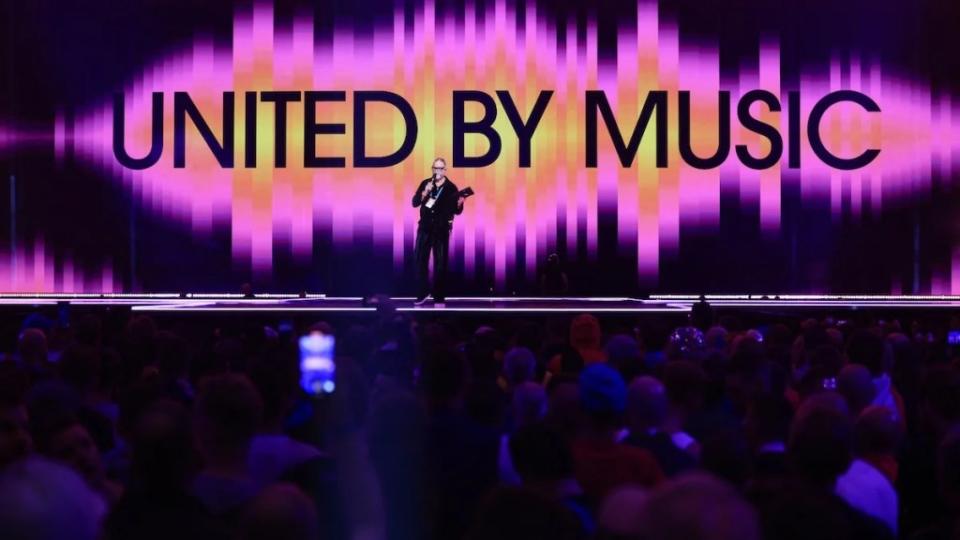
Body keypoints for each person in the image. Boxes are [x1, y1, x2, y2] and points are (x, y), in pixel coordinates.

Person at [411, 157, 465, 307]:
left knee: (440, 263)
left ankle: (439, 295)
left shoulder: (451, 187)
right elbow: (414, 203)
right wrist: (424, 192)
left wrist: (460, 204)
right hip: (425, 227)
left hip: (441, 230)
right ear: (432, 169)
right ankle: (422, 292)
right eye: (435, 168)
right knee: (420, 260)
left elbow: (456, 211)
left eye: (441, 168)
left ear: (445, 170)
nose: (438, 171)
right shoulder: (426, 183)